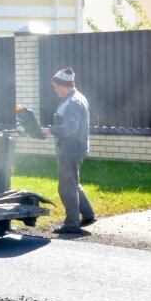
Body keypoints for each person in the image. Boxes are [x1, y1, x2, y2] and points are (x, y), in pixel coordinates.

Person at [41, 68, 97, 235]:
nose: (55, 89)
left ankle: (72, 224)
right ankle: (88, 214)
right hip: (76, 148)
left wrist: (51, 130)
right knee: (74, 184)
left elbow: (72, 128)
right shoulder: (76, 98)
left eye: (56, 86)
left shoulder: (72, 102)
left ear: (63, 85)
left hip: (70, 150)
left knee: (66, 188)